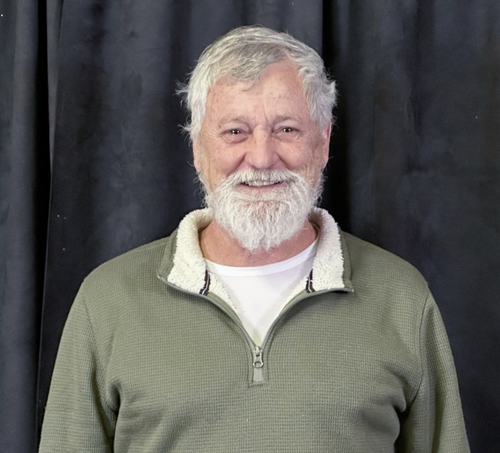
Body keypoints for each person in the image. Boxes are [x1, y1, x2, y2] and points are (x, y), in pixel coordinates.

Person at [39, 25, 470, 452]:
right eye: (235, 132)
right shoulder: (107, 302)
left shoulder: (402, 299)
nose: (262, 158)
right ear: (197, 148)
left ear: (322, 143)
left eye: (287, 130)